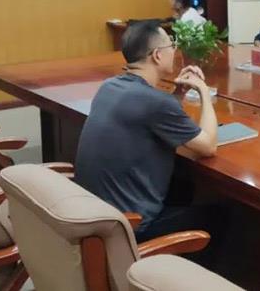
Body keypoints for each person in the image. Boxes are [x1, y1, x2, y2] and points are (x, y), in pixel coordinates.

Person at [75, 19, 221, 244]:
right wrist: (204, 91)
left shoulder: (109, 86)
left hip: (96, 216)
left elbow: (151, 115)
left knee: (184, 186)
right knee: (220, 215)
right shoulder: (155, 102)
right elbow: (208, 146)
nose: (174, 50)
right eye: (171, 45)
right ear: (157, 55)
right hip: (128, 227)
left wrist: (177, 94)